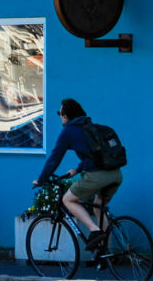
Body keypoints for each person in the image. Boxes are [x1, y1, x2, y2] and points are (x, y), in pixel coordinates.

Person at [37, 97, 122, 250]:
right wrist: (77, 169)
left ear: (65, 115)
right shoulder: (89, 126)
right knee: (98, 207)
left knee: (67, 200)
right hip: (115, 175)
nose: (60, 117)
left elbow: (54, 158)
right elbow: (95, 155)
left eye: (60, 113)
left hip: (97, 176)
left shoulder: (68, 131)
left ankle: (94, 230)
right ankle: (107, 253)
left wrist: (41, 179)